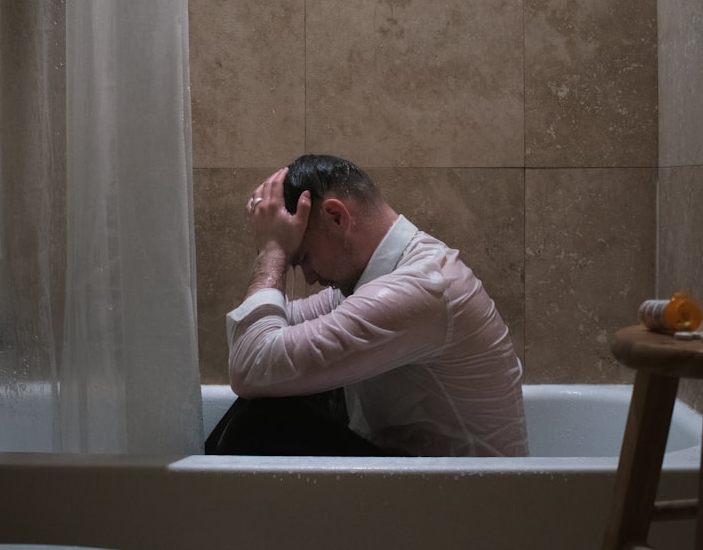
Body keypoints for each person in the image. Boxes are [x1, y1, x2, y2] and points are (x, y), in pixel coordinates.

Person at [205, 154, 528, 457]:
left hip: (472, 505)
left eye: (303, 258)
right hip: (432, 487)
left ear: (336, 217)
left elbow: (251, 363)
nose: (310, 276)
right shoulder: (373, 281)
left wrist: (273, 253)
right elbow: (255, 339)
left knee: (263, 421)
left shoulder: (420, 288)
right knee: (281, 388)